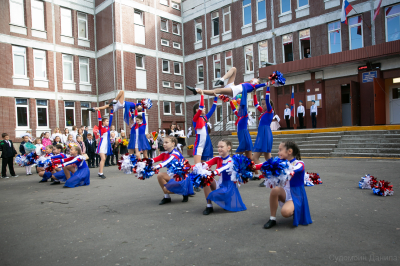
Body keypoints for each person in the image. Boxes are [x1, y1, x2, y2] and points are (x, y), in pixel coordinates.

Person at [257, 141, 312, 229]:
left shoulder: (299, 163)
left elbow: (297, 168)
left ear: (289, 151)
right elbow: (265, 164)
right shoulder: (281, 162)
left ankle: (296, 210)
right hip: (285, 192)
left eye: (280, 150)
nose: (278, 153)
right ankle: (272, 219)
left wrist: (291, 171)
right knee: (275, 189)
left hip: (296, 194)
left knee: (285, 213)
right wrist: (253, 166)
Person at [202, 139, 247, 215]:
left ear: (228, 148)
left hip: (228, 188)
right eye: (218, 147)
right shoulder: (217, 158)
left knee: (212, 194)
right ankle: (209, 206)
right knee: (205, 179)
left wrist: (214, 172)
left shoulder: (231, 161)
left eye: (222, 147)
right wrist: (192, 168)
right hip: (220, 184)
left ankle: (225, 200)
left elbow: (224, 168)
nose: (219, 149)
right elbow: (205, 164)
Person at [186, 67, 266, 101]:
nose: (254, 78)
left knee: (217, 90)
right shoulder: (249, 84)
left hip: (234, 90)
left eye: (255, 79)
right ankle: (222, 79)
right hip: (233, 87)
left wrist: (269, 83)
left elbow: (261, 85)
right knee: (234, 69)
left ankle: (197, 90)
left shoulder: (254, 86)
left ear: (256, 82)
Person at [153, 136, 193, 205]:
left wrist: (157, 166)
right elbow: (153, 160)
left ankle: (184, 191)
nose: (164, 144)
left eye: (166, 142)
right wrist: (143, 163)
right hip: (173, 176)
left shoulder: (175, 153)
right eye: (163, 143)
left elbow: (167, 161)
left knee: (166, 189)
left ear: (173, 143)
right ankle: (167, 197)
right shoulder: (165, 154)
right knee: (160, 176)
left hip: (182, 178)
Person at [252, 83, 274, 185]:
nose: (262, 105)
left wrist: (268, 86)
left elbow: (267, 99)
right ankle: (273, 175)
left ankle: (267, 177)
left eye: (264, 103)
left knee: (255, 158)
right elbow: (256, 104)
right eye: (262, 104)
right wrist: (254, 93)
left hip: (265, 134)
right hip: (262, 134)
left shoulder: (269, 111)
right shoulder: (263, 112)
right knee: (268, 158)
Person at [192, 90, 218, 165]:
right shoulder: (195, 118)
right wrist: (202, 95)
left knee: (205, 166)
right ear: (197, 110)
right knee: (197, 166)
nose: (204, 109)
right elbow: (201, 107)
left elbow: (212, 110)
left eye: (204, 108)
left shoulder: (205, 118)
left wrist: (215, 98)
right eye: (203, 108)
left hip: (207, 143)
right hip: (199, 145)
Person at [96, 109, 114, 178]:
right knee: (103, 158)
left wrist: (112, 110)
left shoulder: (108, 127)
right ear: (103, 122)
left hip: (107, 145)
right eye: (106, 121)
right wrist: (98, 111)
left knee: (103, 159)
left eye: (108, 121)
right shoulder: (101, 127)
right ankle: (101, 173)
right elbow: (99, 119)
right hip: (101, 145)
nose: (108, 122)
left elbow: (111, 118)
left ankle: (99, 171)